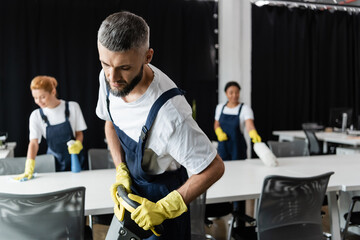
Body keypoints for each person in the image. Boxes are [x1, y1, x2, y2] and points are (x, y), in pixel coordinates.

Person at [96, 11, 224, 239]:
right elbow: (110, 122)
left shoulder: (170, 114)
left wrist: (165, 208)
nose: (112, 77)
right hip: (132, 194)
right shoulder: (108, 79)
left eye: (124, 68)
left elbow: (214, 168)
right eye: (105, 64)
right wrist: (121, 170)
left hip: (162, 205)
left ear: (148, 56)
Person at [15, 75, 87, 181]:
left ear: (53, 91)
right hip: (53, 163)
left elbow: (79, 134)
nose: (38, 101)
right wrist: (29, 166)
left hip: (75, 159)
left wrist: (78, 144)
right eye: (35, 98)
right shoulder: (36, 115)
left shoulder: (72, 107)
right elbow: (34, 143)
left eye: (42, 97)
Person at [214, 81, 261, 161]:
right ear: (226, 93)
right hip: (223, 146)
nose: (234, 95)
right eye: (231, 93)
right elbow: (216, 124)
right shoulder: (220, 107)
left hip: (238, 147)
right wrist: (218, 132)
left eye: (237, 92)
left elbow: (249, 126)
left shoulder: (245, 108)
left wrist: (254, 134)